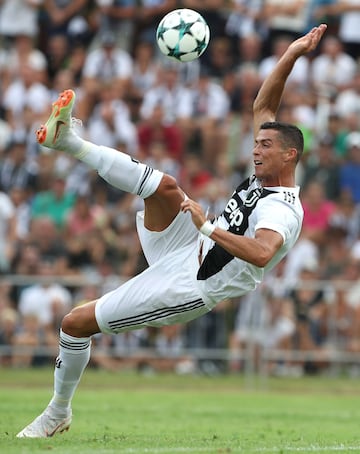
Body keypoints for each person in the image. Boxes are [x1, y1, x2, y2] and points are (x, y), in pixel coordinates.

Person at [16, 24, 327, 438]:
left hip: (189, 284)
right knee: (163, 185)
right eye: (257, 142)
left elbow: (262, 253)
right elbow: (263, 103)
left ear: (290, 155)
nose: (256, 148)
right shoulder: (262, 178)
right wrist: (291, 54)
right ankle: (69, 141)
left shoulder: (282, 208)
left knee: (74, 323)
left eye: (265, 146)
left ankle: (57, 411)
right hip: (190, 243)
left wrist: (207, 227)